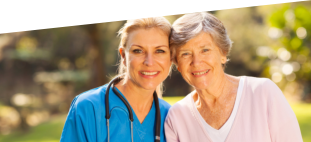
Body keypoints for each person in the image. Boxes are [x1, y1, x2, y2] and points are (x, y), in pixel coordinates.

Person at [164, 12, 303, 142]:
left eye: (205, 50)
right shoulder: (176, 117)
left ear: (223, 53)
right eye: (185, 54)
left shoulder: (263, 93)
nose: (196, 62)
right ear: (177, 64)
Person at [60, 16, 172, 142]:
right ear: (123, 56)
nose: (149, 62)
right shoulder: (88, 108)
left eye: (160, 51)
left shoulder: (171, 117)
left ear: (171, 58)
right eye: (138, 51)